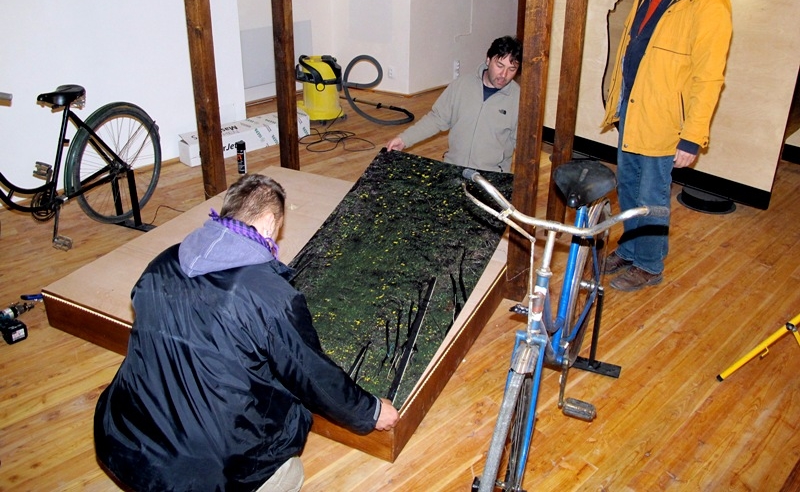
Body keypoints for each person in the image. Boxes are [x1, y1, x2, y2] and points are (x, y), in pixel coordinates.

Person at [94, 173, 399, 492]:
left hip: (123, 438)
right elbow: (313, 376)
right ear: (267, 222)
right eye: (278, 228)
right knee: (289, 473)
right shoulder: (268, 296)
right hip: (197, 475)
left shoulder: (163, 263)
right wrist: (371, 411)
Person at [601, 0, 732, 292]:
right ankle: (630, 248)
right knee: (628, 186)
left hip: (665, 119)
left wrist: (692, 137)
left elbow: (709, 78)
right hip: (633, 106)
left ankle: (649, 263)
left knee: (651, 196)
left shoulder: (710, 2)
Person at [386, 35, 522, 172]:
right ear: (488, 60)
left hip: (491, 176)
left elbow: (523, 147)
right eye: (499, 65)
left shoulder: (519, 100)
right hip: (454, 169)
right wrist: (404, 139)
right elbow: (436, 119)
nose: (504, 74)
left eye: (511, 69)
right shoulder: (461, 85)